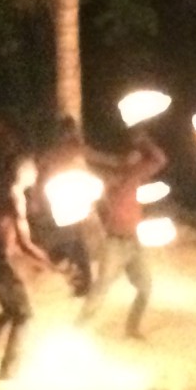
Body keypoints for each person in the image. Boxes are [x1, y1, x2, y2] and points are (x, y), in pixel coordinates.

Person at [0, 153, 59, 381]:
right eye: (33, 170)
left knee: (13, 311)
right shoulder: (15, 197)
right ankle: (9, 372)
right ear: (23, 172)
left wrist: (36, 260)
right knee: (24, 315)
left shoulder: (7, 193)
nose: (36, 174)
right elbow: (23, 242)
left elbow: (11, 240)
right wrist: (45, 260)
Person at [77, 127, 168, 340]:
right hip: (115, 243)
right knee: (101, 288)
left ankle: (132, 329)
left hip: (134, 242)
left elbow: (160, 159)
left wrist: (143, 141)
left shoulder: (133, 175)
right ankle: (78, 331)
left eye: (137, 156)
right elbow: (91, 161)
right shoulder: (111, 178)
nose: (136, 158)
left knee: (145, 288)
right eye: (132, 155)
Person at [31, 116, 117, 297]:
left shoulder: (62, 152)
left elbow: (102, 159)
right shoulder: (63, 152)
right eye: (70, 132)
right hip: (62, 201)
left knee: (74, 242)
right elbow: (40, 171)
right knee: (71, 242)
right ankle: (79, 280)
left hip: (69, 201)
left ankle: (81, 282)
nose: (72, 135)